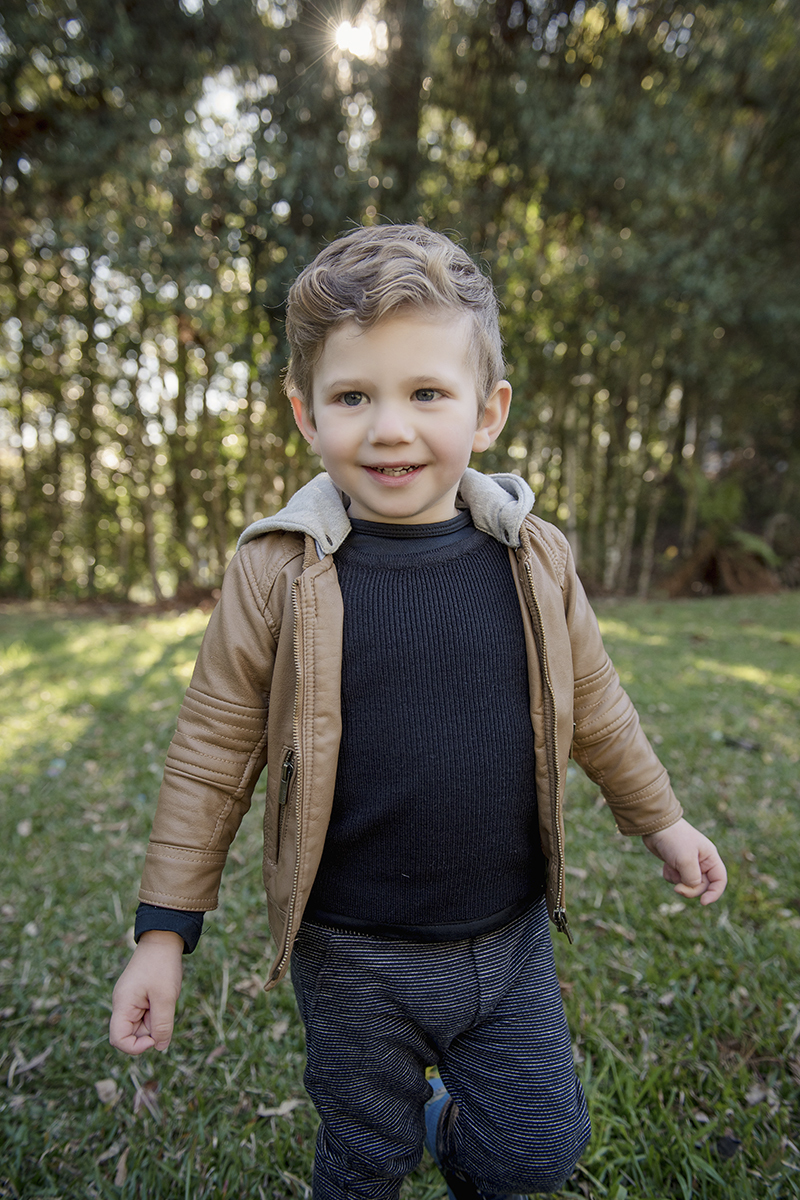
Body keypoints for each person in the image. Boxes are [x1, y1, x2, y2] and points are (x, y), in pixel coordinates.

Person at [109, 224, 727, 1200]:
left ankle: (453, 1128)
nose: (389, 429)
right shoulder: (276, 571)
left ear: (488, 411)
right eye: (353, 397)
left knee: (535, 1149)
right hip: (350, 948)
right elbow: (212, 750)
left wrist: (662, 819)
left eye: (426, 394)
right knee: (367, 1159)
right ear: (305, 413)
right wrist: (162, 934)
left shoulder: (533, 558)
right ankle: (397, 1134)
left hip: (507, 938)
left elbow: (597, 707)